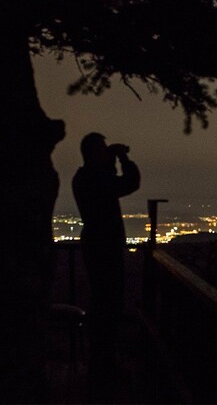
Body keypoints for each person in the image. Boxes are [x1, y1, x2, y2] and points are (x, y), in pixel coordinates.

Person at [72, 132, 140, 400]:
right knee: (108, 306)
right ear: (93, 153)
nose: (106, 153)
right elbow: (130, 183)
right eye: (102, 149)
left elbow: (109, 184)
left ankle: (102, 365)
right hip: (105, 248)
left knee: (103, 304)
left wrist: (108, 160)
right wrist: (123, 158)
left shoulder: (84, 177)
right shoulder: (95, 178)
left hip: (96, 245)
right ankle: (104, 368)